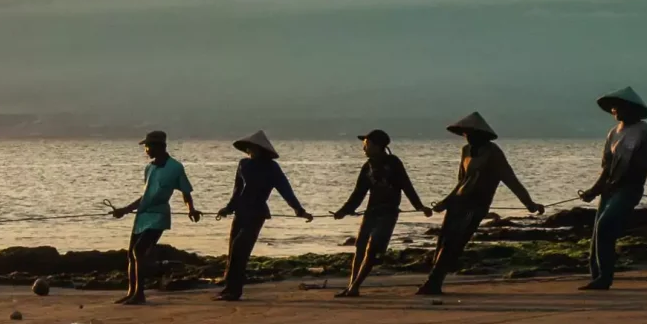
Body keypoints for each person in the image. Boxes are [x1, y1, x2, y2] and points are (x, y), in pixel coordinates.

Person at [418, 113, 543, 295]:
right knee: (443, 241)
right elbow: (461, 182)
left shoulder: (493, 153)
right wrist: (444, 202)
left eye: (470, 133)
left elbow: (511, 180)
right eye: (465, 134)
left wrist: (529, 204)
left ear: (481, 134)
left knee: (454, 243)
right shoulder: (466, 151)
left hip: (475, 206)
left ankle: (434, 280)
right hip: (457, 203)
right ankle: (434, 279)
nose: (467, 137)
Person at [577, 86, 647, 291]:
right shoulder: (613, 133)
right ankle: (596, 274)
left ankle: (605, 277)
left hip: (630, 188)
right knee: (597, 232)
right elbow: (607, 168)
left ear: (632, 108)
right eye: (613, 107)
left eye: (619, 106)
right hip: (609, 189)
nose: (615, 110)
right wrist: (593, 191)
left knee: (605, 225)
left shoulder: (646, 132)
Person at [214, 129, 310, 300]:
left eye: (252, 148)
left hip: (257, 214)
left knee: (239, 249)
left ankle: (234, 291)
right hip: (240, 213)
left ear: (260, 149)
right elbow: (237, 191)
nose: (250, 151)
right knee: (232, 251)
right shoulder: (243, 164)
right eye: (248, 148)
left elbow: (285, 190)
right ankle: (229, 288)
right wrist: (228, 208)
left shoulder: (272, 168)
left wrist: (299, 210)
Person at [333, 129, 428, 297]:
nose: (364, 149)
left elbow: (406, 185)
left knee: (372, 249)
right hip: (371, 212)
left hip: (388, 213)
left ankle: (355, 286)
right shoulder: (367, 166)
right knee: (360, 248)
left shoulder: (393, 163)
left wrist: (419, 207)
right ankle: (351, 285)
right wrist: (344, 210)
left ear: (378, 146)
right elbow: (358, 193)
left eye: (367, 145)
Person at [108, 129, 198, 304]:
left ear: (159, 147)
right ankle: (131, 291)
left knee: (138, 251)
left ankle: (140, 294)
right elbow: (145, 196)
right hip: (142, 215)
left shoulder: (175, 167)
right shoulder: (149, 168)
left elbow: (186, 191)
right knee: (131, 254)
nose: (146, 150)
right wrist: (124, 210)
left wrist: (191, 209)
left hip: (159, 215)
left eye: (148, 146)